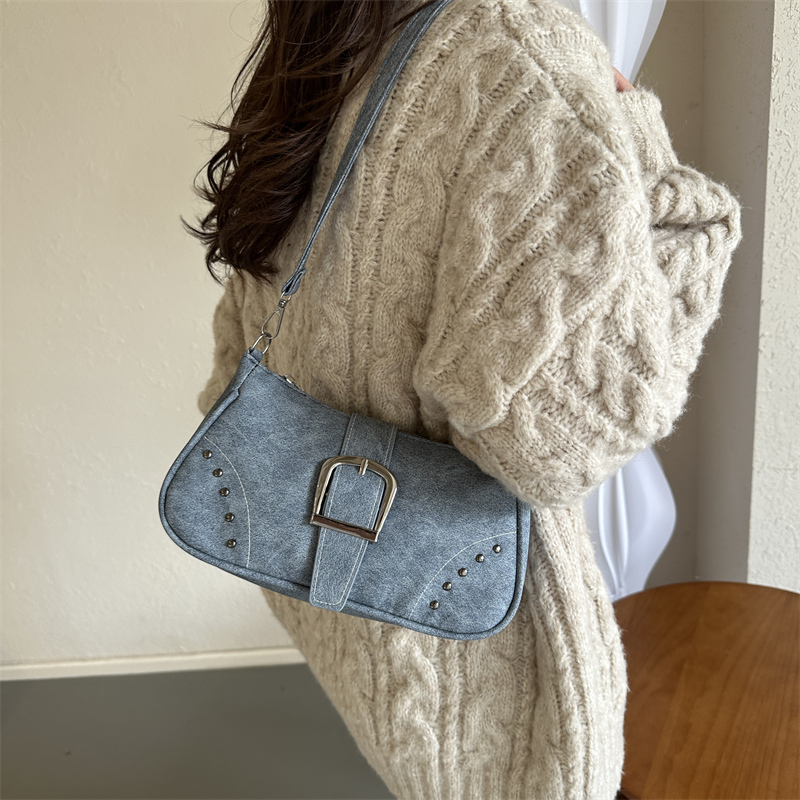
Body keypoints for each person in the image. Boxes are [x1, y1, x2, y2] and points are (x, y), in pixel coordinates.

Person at [187, 0, 743, 797]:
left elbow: (248, 328)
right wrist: (641, 142)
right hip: (489, 679)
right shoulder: (522, 55)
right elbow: (561, 439)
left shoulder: (341, 26)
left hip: (361, 612)